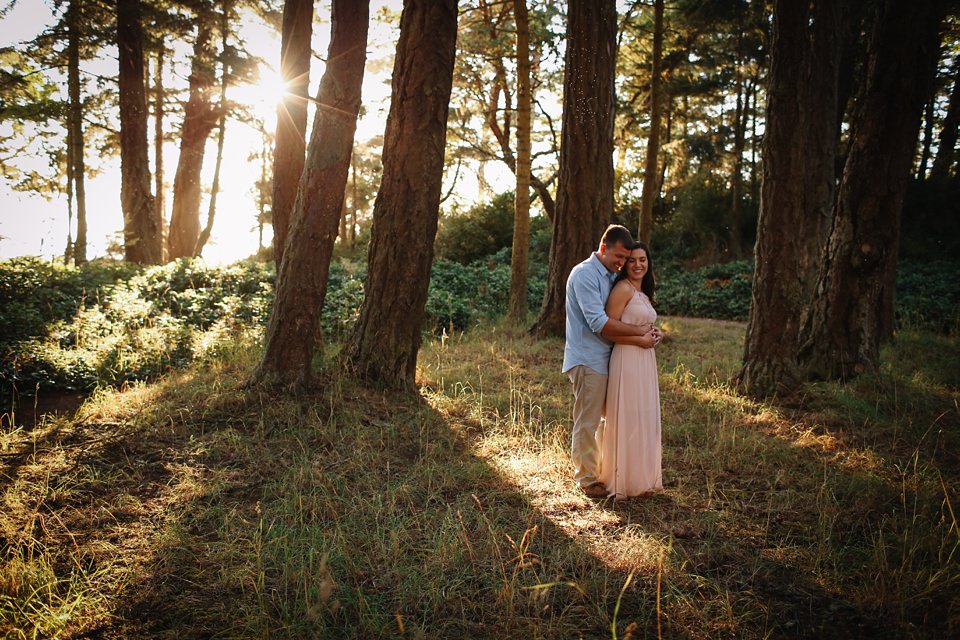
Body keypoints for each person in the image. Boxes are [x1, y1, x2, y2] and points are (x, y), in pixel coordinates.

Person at [563, 225, 654, 498]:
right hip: (587, 359)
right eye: (618, 257)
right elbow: (598, 322)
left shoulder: (609, 275)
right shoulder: (585, 275)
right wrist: (639, 333)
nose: (622, 263)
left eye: (625, 259)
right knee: (588, 420)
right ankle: (586, 479)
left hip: (608, 358)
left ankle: (607, 471)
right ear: (603, 248)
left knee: (609, 420)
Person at [598, 241, 663, 498]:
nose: (638, 265)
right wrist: (640, 340)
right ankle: (623, 480)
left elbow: (644, 324)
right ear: (625, 264)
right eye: (633, 260)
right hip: (626, 358)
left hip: (646, 361)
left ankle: (641, 479)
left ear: (648, 263)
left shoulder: (643, 292)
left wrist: (658, 335)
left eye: (642, 260)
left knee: (643, 416)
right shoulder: (623, 289)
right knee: (628, 416)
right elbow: (609, 329)